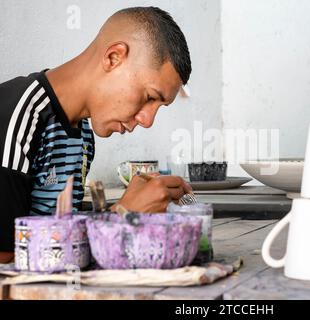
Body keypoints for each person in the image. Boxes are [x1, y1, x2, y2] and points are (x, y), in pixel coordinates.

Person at [0, 6, 193, 263]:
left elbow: (63, 235)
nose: (147, 121)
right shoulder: (19, 115)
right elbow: (6, 261)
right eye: (149, 97)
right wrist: (122, 216)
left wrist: (126, 208)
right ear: (113, 57)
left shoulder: (83, 136)